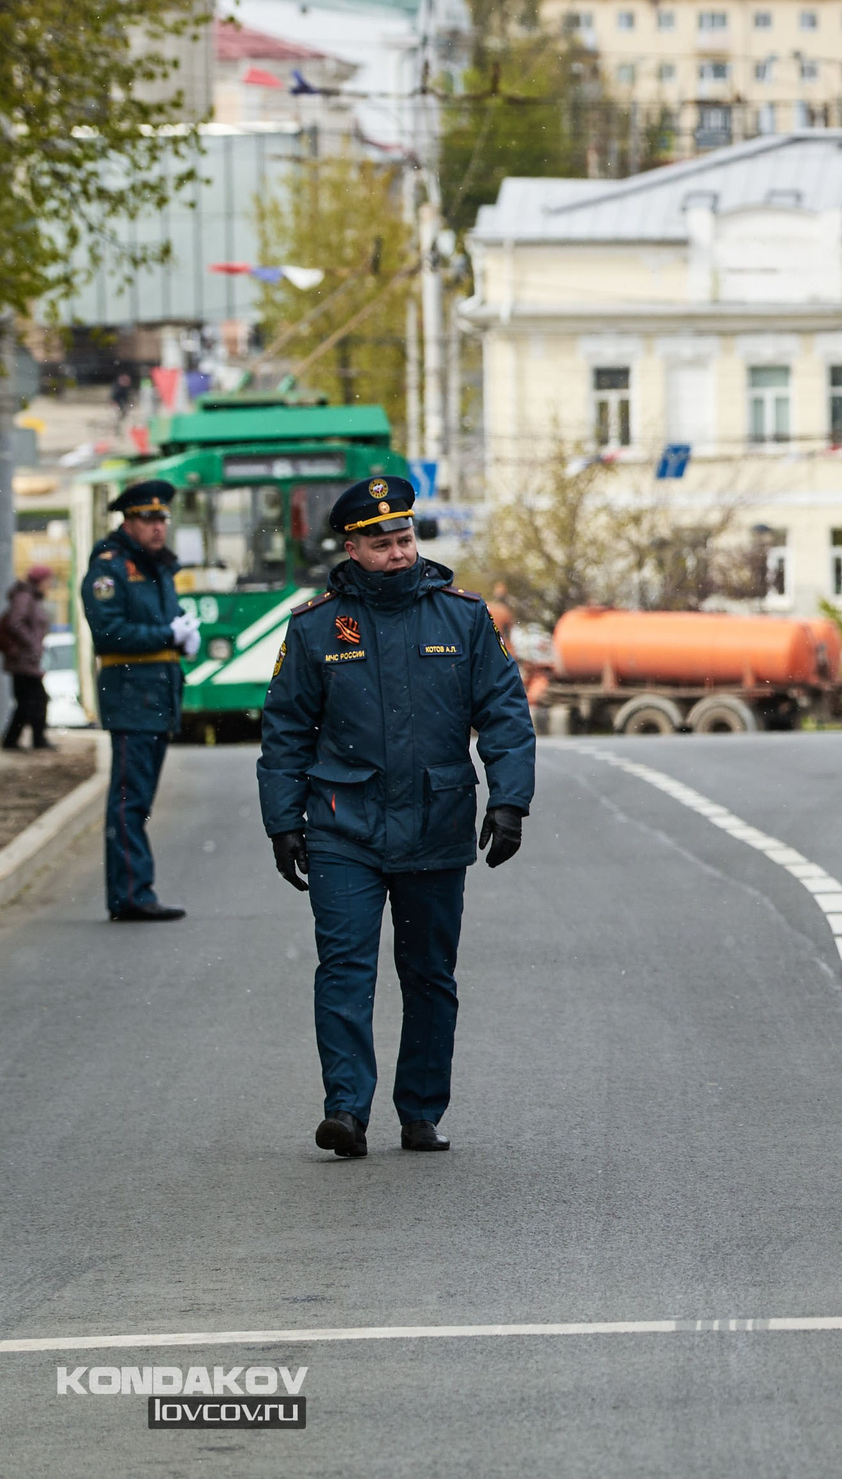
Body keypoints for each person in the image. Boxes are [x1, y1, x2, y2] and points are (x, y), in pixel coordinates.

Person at [257, 475, 537, 1159]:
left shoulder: (463, 618)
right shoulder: (316, 627)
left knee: (429, 975)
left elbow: (503, 713)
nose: (399, 552)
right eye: (382, 543)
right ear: (352, 547)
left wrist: (509, 799)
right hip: (341, 824)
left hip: (436, 825)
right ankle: (346, 1111)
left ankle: (419, 1110)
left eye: (406, 537)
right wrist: (282, 819)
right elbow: (286, 728)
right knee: (345, 968)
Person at [83, 479, 197, 922]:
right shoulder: (110, 569)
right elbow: (108, 631)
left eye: (162, 519)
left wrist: (181, 639)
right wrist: (167, 635)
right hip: (132, 695)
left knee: (138, 800)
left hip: (156, 694)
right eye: (148, 519)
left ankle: (133, 889)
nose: (158, 527)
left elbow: (163, 624)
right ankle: (131, 892)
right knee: (130, 800)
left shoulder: (155, 566)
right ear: (127, 521)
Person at [3, 565, 54, 750]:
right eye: (48, 580)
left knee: (27, 701)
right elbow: (15, 622)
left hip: (28, 659)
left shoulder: (31, 598)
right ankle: (36, 739)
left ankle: (14, 740)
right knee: (36, 699)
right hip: (23, 659)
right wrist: (32, 644)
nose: (50, 584)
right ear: (39, 581)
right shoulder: (25, 597)